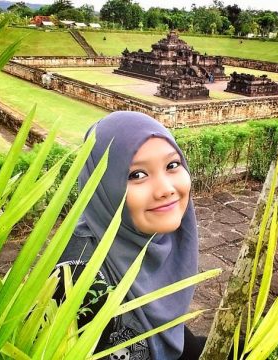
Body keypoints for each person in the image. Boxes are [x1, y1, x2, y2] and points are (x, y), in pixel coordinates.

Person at [54, 111, 205, 360]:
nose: (166, 190)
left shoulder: (147, 237)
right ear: (103, 184)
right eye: (137, 175)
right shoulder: (77, 283)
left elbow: (165, 332)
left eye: (172, 165)